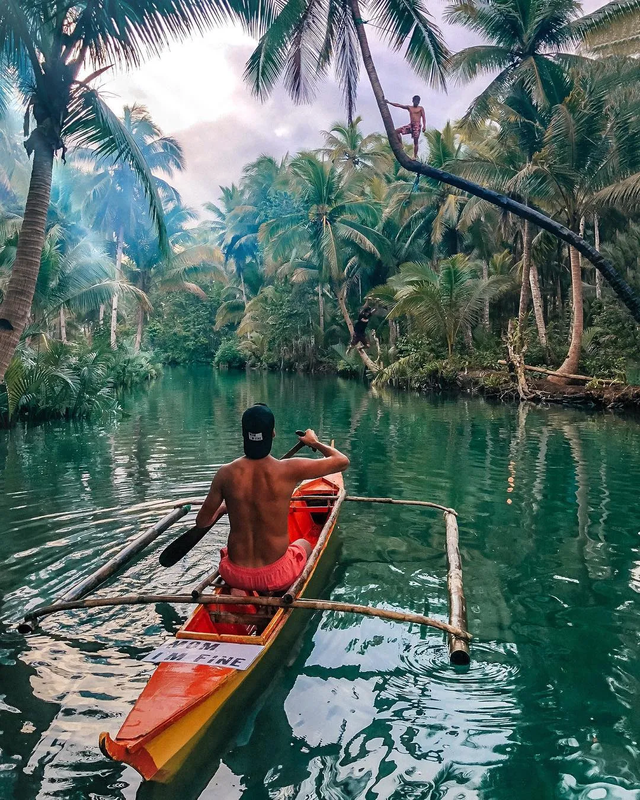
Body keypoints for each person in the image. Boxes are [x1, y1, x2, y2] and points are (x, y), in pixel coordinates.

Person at [195, 404, 349, 594]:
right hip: (276, 575)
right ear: (273, 434)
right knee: (304, 544)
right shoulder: (288, 469)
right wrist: (314, 443)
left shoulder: (225, 474)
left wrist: (222, 508)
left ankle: (240, 591)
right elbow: (342, 461)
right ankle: (279, 591)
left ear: (243, 434)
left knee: (241, 571)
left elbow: (202, 522)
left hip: (234, 573)